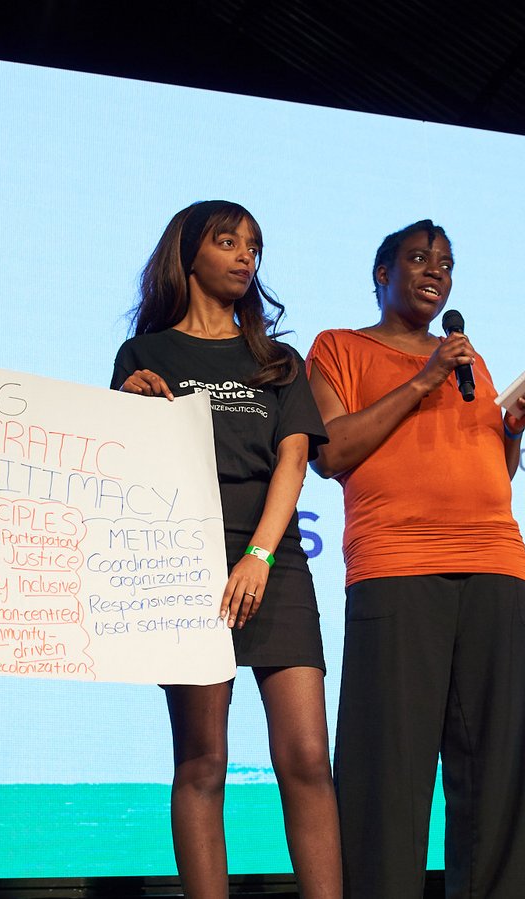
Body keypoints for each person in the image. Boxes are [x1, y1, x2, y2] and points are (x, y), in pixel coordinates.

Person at [306, 220, 525, 898]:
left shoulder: (471, 362)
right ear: (380, 275)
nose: (433, 270)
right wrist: (424, 378)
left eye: (445, 262)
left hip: (496, 565)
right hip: (397, 564)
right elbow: (332, 452)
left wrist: (514, 426)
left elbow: (491, 474)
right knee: (389, 767)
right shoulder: (338, 347)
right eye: (417, 258)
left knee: (499, 767)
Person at [111, 200, 340, 898]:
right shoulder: (146, 354)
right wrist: (129, 406)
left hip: (274, 561)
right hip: (184, 559)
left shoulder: (277, 358)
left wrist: (261, 556)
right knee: (203, 759)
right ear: (188, 254)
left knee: (306, 757)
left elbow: (293, 461)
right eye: (228, 241)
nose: (246, 256)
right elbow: (123, 468)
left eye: (254, 246)